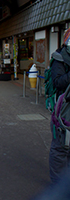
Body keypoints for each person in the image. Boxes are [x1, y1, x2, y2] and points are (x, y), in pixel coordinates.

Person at [49, 28, 70, 184]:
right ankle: (57, 185)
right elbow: (58, 82)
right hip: (63, 112)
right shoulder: (59, 58)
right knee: (60, 148)